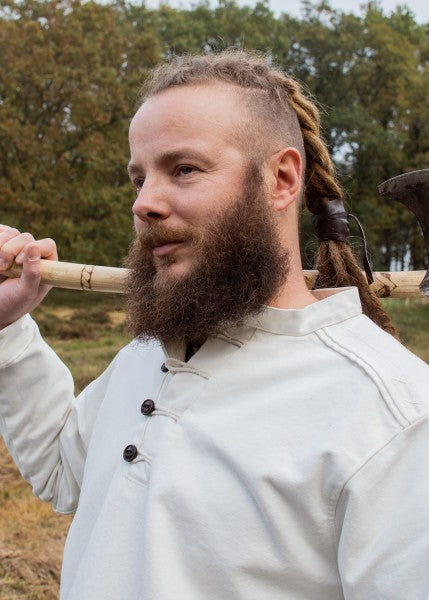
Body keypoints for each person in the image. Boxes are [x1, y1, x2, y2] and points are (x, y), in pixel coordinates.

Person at [0, 50, 428, 600]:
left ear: (281, 178)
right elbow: (65, 472)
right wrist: (9, 327)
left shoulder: (391, 417)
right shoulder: (150, 353)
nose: (145, 203)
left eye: (184, 169)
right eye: (139, 178)